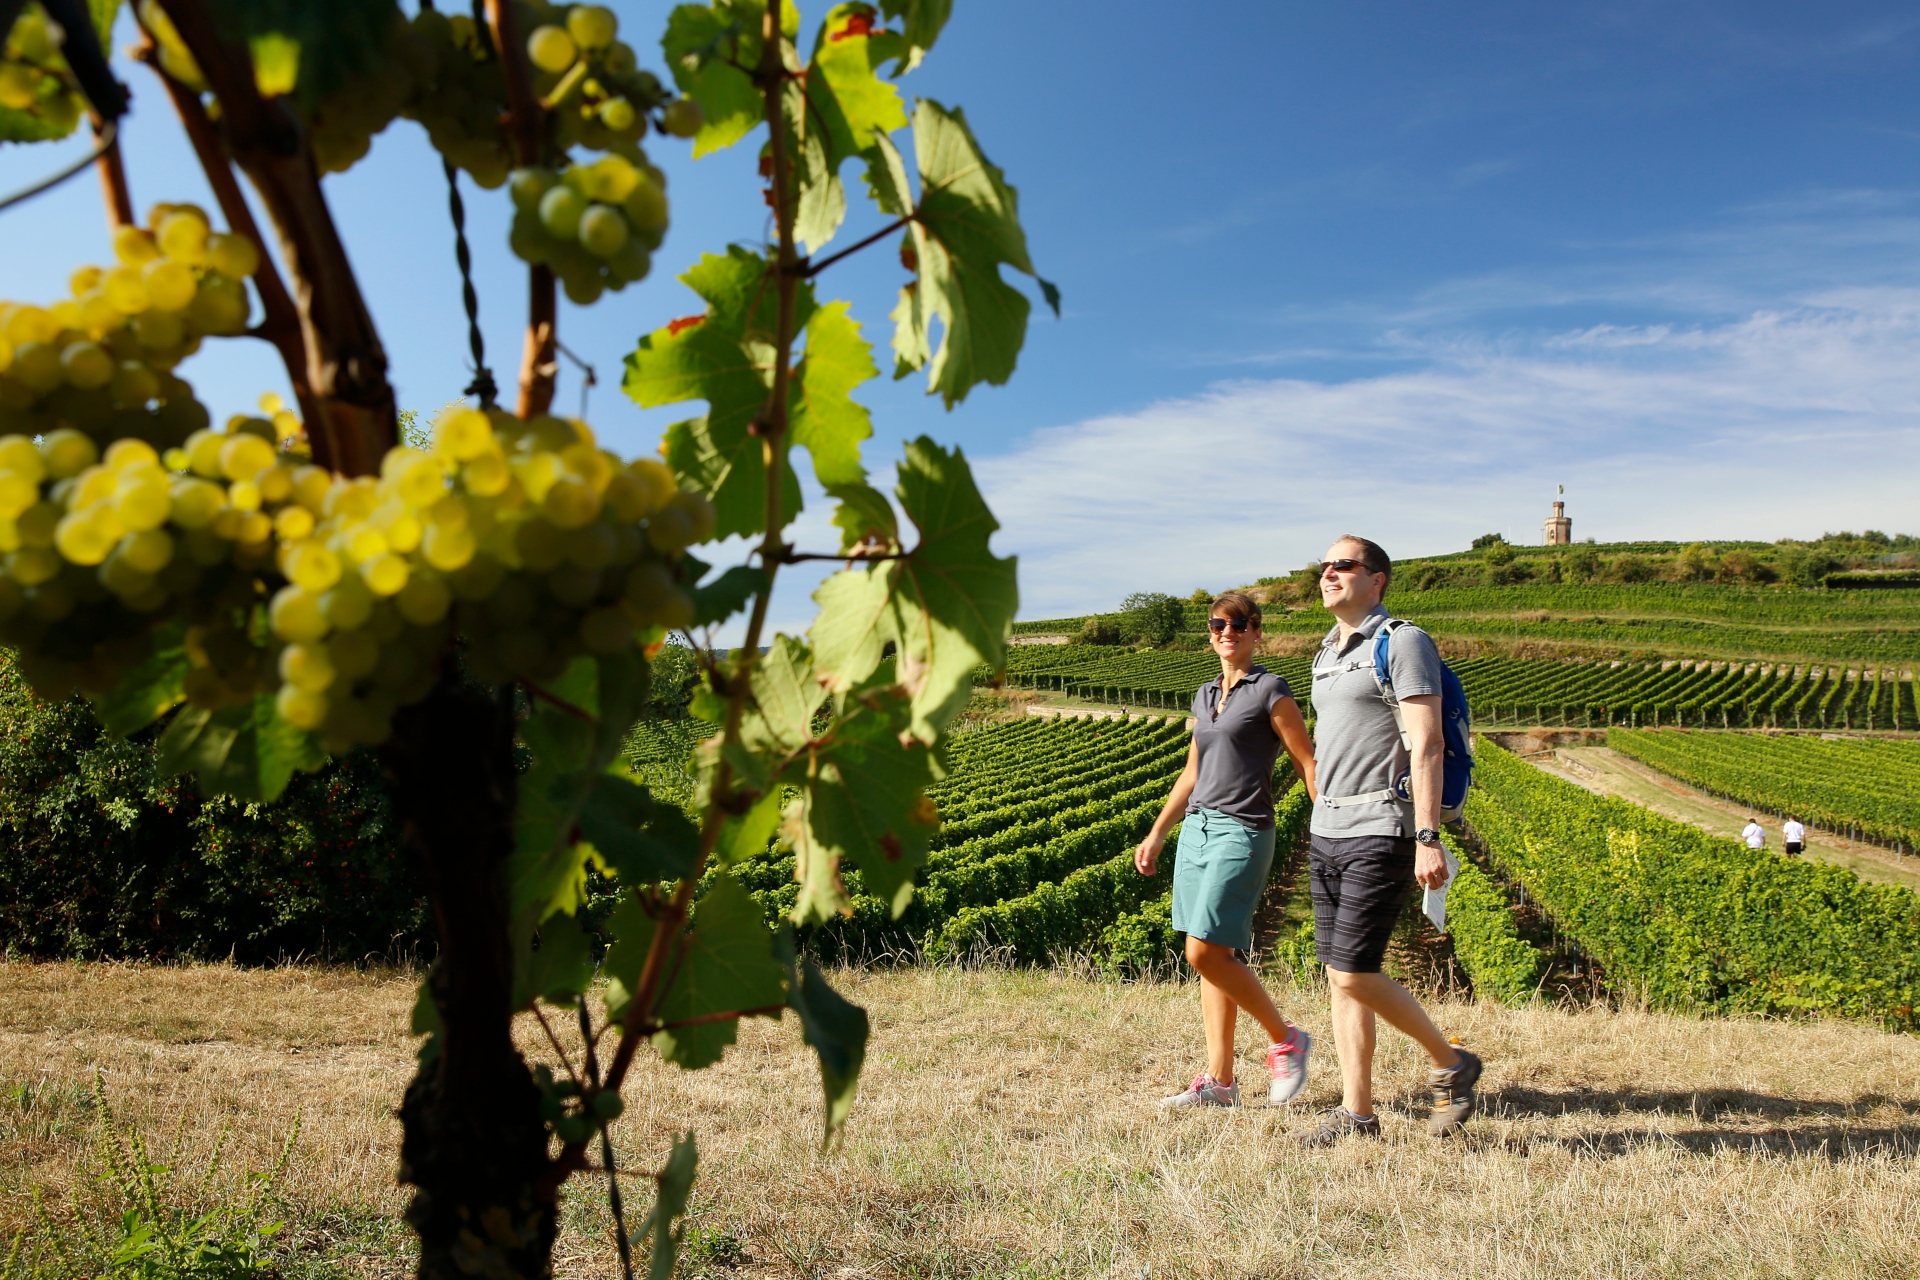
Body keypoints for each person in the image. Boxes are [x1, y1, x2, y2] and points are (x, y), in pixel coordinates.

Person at [1295, 536, 1481, 1147]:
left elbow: (1426, 744)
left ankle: (1451, 1063)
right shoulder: (1326, 651)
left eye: (1342, 564)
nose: (1328, 572)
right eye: (1324, 564)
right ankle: (1358, 1113)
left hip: (1384, 825)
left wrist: (1428, 836)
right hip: (1329, 827)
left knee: (1351, 972)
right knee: (1340, 973)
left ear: (1377, 580)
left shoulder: (1402, 641)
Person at [1136, 591, 1318, 1108]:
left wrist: (1329, 819)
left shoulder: (1271, 691)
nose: (1228, 632)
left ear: (1257, 631)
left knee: (1203, 950)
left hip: (1244, 830)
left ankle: (1287, 1040)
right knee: (1211, 954)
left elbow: (1307, 763)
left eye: (1240, 624)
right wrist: (1158, 832)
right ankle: (1221, 1082)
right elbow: (1192, 772)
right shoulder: (1204, 695)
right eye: (1219, 624)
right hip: (1198, 829)